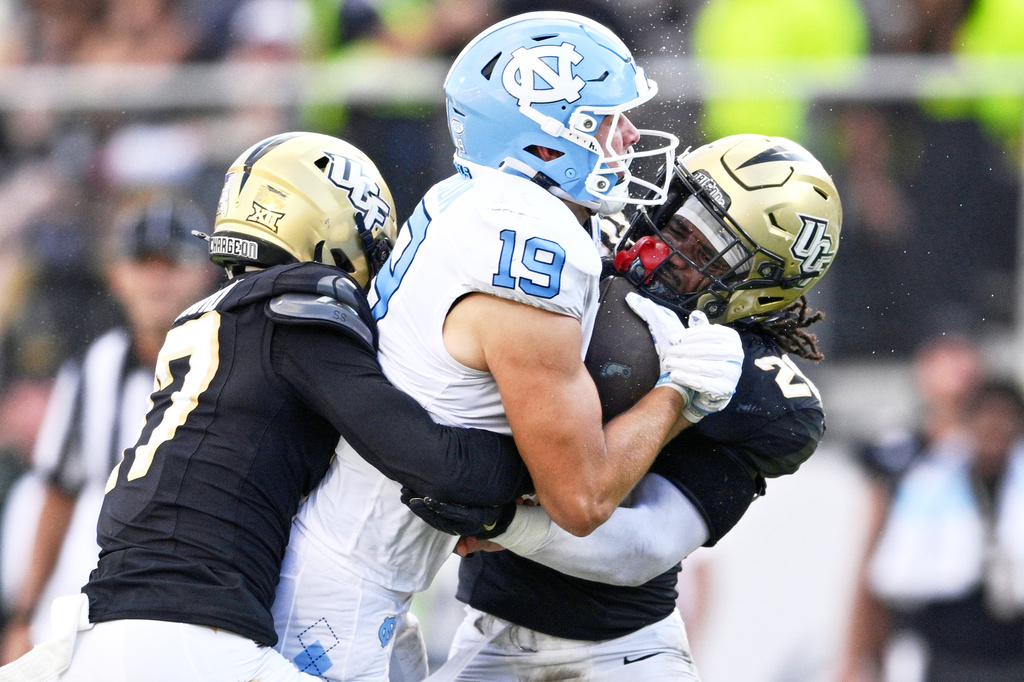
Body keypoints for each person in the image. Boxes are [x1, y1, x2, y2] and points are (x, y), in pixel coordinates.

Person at [270, 12, 746, 682]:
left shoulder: (475, 204)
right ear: (547, 143)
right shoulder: (530, 239)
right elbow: (579, 501)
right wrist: (682, 394)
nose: (631, 137)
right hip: (339, 605)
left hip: (352, 580)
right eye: (607, 121)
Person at [0, 131, 537, 682]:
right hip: (193, 639)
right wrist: (540, 459)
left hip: (110, 631)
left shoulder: (207, 319)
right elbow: (434, 463)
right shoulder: (295, 310)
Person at [407, 133, 842, 681]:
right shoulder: (575, 255)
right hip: (485, 634)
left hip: (624, 654)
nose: (660, 252)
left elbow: (642, 549)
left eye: (703, 255)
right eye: (675, 223)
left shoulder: (755, 390)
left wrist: (502, 521)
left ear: (757, 291)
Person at [0, 190, 219, 664]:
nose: (157, 278)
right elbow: (59, 491)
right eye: (144, 263)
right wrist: (25, 614)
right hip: (105, 594)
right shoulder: (94, 369)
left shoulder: (232, 362)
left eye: (172, 262)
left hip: (208, 594)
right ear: (117, 276)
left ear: (202, 272)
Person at [839, 377, 1024, 682]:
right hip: (946, 647)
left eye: (1005, 418)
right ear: (969, 422)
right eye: (986, 417)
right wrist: (859, 659)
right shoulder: (928, 483)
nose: (995, 428)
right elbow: (888, 577)